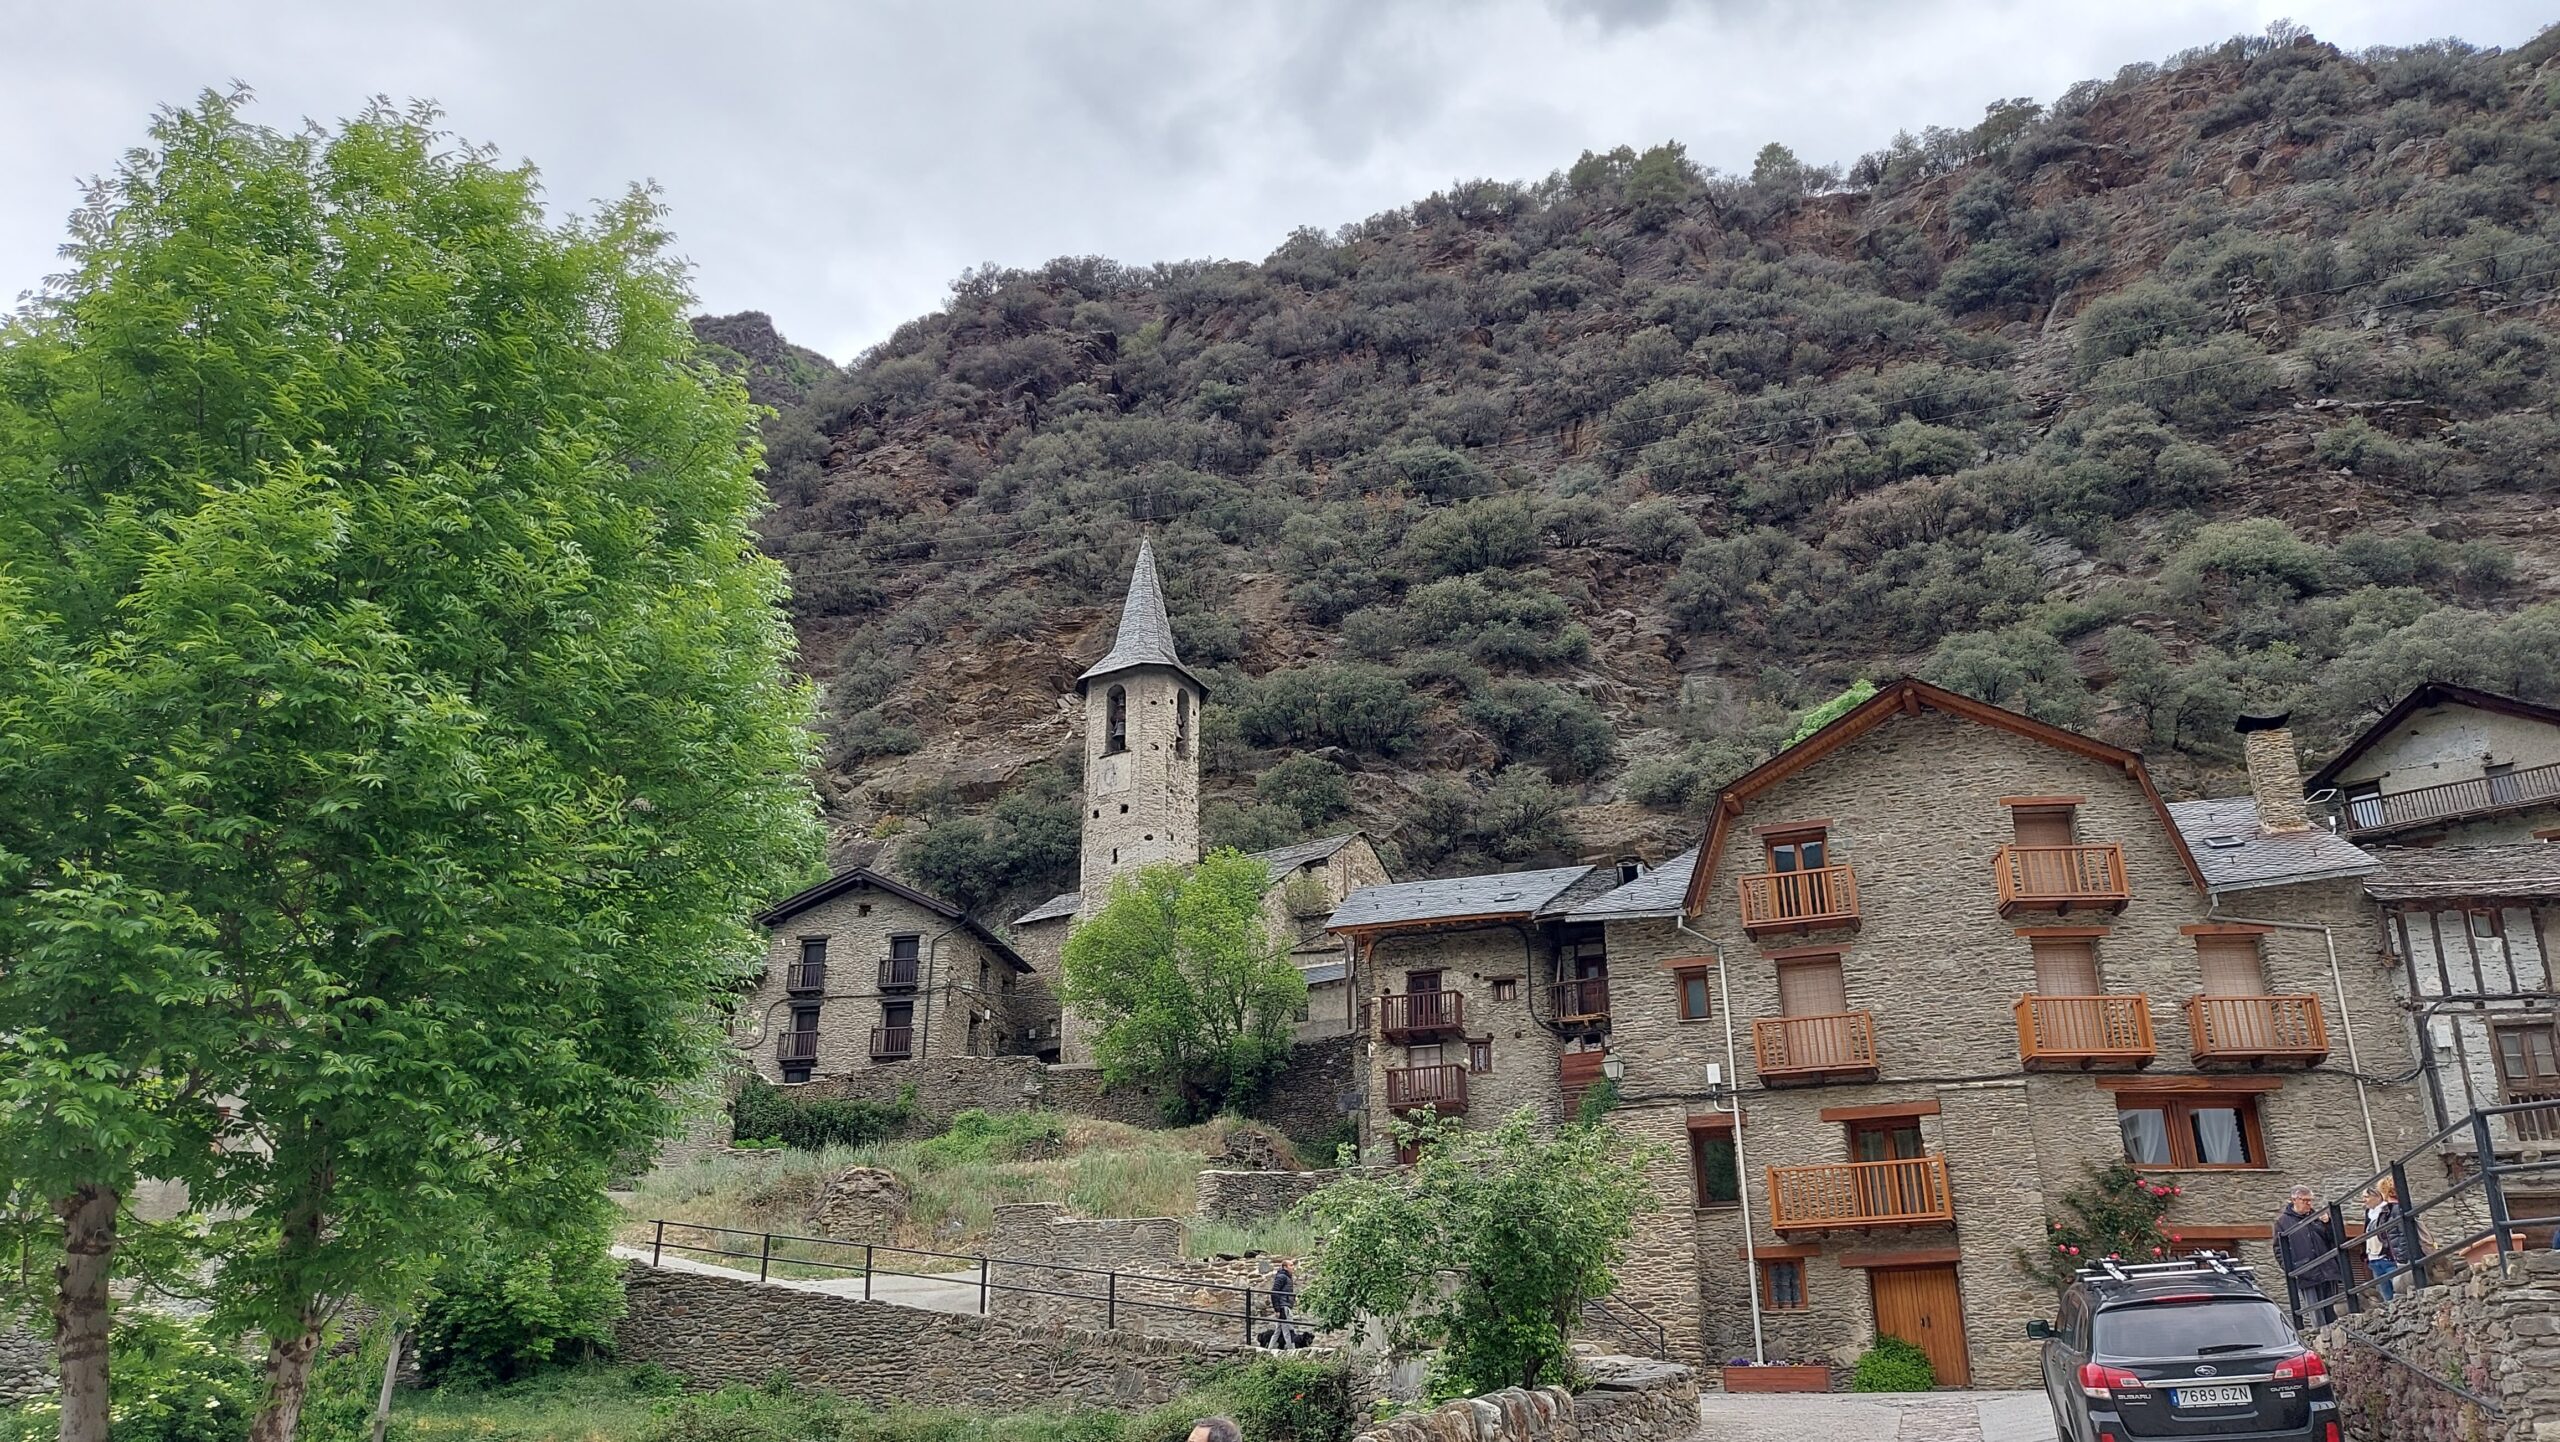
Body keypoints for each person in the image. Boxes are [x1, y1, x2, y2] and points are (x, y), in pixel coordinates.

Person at [2274, 1184, 2346, 1327]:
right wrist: (2292, 1269)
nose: (2308, 1204)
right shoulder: (2282, 1222)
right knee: (2316, 1314)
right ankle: (2321, 1337)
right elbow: (2279, 1249)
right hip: (2306, 1272)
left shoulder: (2317, 1217)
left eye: (2310, 1200)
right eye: (2305, 1200)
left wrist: (2328, 1224)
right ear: (2294, 1200)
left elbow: (2335, 1240)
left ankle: (2335, 1336)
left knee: (2332, 1312)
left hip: (2327, 1269)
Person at [2363, 1180, 2413, 1301]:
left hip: (2388, 1257)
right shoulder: (2369, 1214)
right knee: (2386, 1295)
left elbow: (2400, 1233)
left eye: (2366, 1197)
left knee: (2399, 1291)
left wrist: (2399, 1254)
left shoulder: (2388, 1210)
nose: (2364, 1200)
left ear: (2377, 1196)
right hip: (2374, 1259)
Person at [1268, 1258, 1298, 1350]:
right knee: (1288, 1330)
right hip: (1283, 1307)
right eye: (1291, 1265)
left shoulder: (1286, 1277)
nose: (1293, 1267)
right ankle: (1292, 1351)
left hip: (1284, 1305)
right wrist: (1277, 1309)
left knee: (1278, 1330)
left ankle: (1269, 1349)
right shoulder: (1282, 1277)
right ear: (1285, 1267)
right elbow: (1274, 1292)